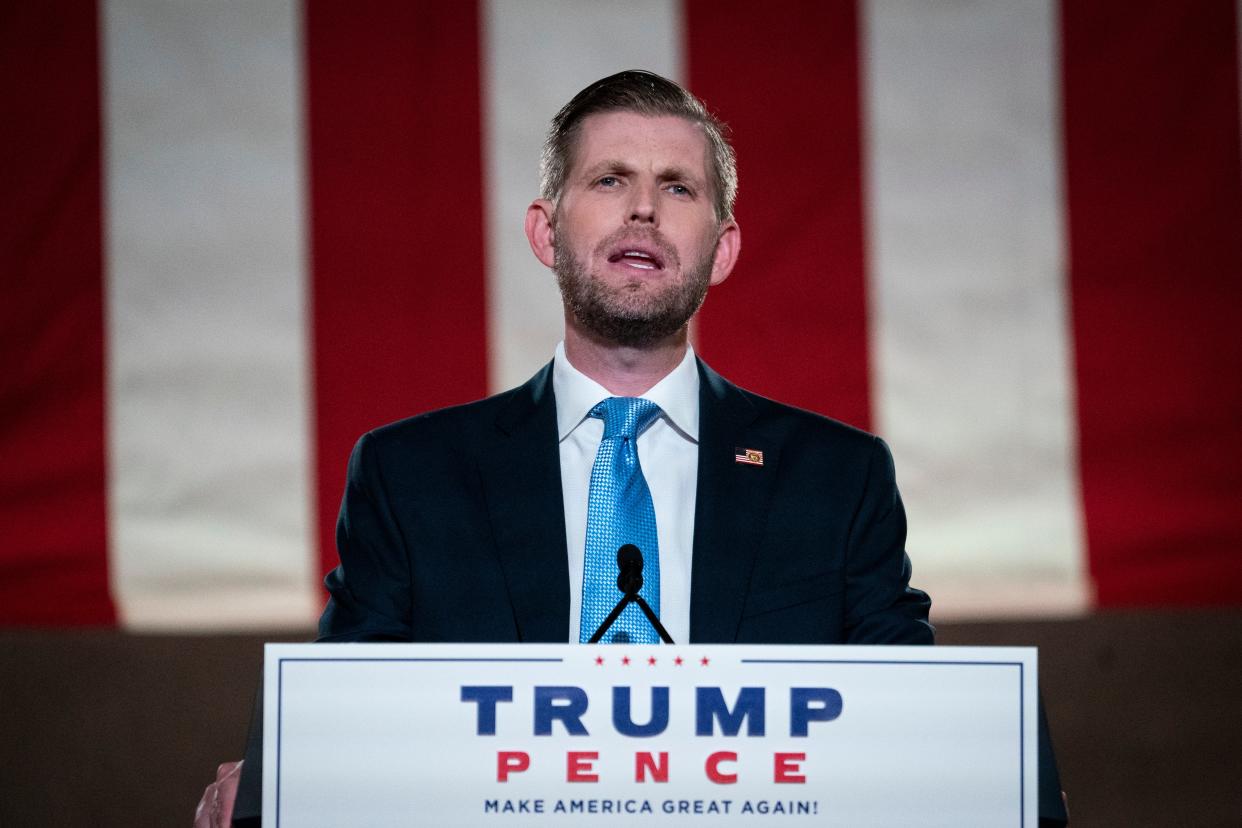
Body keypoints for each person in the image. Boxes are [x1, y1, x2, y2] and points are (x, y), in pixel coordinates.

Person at [203, 70, 1073, 827]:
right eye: (611, 179)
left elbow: (913, 722)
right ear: (546, 232)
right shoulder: (409, 476)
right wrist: (286, 776)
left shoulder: (836, 479)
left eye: (678, 188)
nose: (644, 209)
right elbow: (350, 716)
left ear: (721, 250)